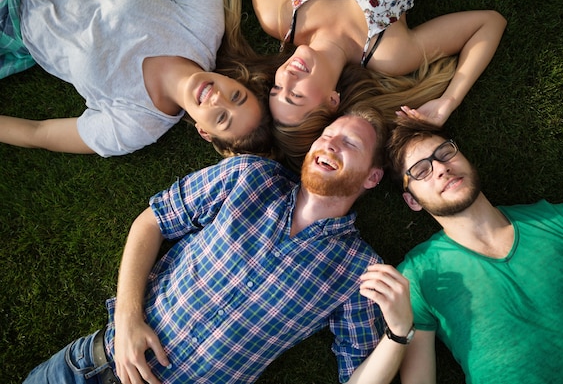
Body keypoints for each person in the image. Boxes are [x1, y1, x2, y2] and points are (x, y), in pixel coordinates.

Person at [23, 108, 415, 384]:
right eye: (327, 135)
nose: (329, 145)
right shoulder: (248, 176)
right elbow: (151, 221)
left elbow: (359, 376)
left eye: (349, 143)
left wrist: (399, 331)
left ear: (373, 177)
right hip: (92, 365)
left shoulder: (360, 271)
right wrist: (127, 318)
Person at [385, 118, 563, 383]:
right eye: (421, 171)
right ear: (412, 200)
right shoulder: (416, 276)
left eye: (444, 153)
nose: (441, 168)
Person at [0, 0, 277, 158]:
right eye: (237, 96)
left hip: (10, 19)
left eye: (221, 118)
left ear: (204, 131)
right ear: (236, 79)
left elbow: (41, 134)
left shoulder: (134, 126)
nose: (218, 98)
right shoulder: (204, 26)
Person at [249, 0, 507, 167]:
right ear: (332, 100)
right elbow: (489, 23)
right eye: (295, 95)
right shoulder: (388, 53)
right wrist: (448, 101)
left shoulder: (279, 16)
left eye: (278, 86)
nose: (288, 76)